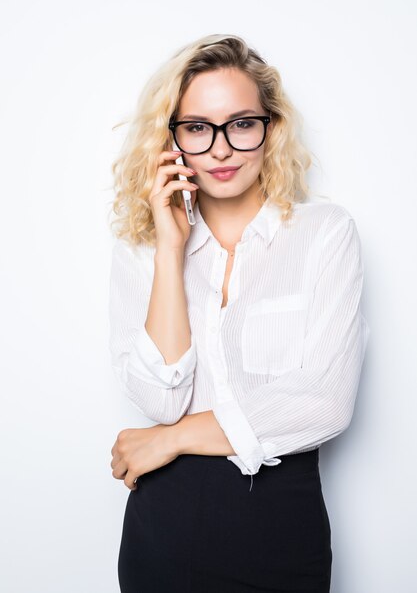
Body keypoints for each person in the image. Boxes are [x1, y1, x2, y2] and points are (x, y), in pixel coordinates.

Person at [108, 33, 370, 593]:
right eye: (198, 128)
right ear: (171, 140)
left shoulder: (325, 234)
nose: (221, 149)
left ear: (270, 129)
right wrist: (170, 251)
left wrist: (171, 439)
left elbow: (325, 401)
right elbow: (160, 399)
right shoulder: (144, 250)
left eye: (241, 124)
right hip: (163, 529)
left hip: (280, 524)